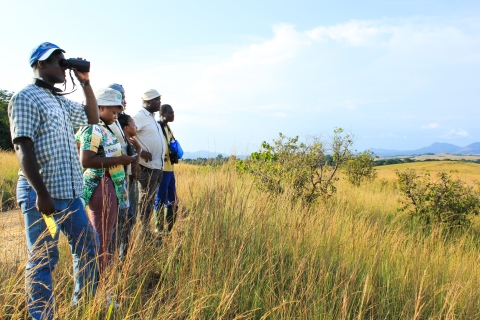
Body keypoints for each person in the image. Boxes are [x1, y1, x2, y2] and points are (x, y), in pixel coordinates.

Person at [8, 42, 99, 320]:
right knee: (44, 259)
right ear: (41, 65)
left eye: (65, 61)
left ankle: (83, 305)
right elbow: (22, 147)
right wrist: (41, 193)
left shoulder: (59, 100)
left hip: (71, 194)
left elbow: (92, 117)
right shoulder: (26, 97)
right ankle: (42, 316)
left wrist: (85, 82)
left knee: (88, 247)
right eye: (58, 61)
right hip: (43, 194)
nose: (64, 66)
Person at [77, 88, 134, 273]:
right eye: (113, 111)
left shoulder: (103, 129)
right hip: (101, 185)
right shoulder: (94, 129)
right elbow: (86, 160)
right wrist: (119, 160)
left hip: (109, 186)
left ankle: (102, 279)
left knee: (106, 236)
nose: (116, 116)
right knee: (101, 237)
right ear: (100, 108)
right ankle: (100, 284)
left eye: (118, 112)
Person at [132, 89, 165, 232]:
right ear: (148, 102)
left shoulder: (151, 118)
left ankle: (146, 230)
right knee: (145, 200)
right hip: (146, 166)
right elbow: (126, 133)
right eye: (157, 100)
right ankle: (142, 231)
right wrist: (140, 152)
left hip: (156, 166)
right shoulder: (139, 116)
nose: (160, 103)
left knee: (150, 200)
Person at [116, 113, 142, 253]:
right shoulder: (122, 144)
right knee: (125, 220)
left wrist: (138, 149)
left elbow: (133, 165)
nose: (135, 126)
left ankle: (124, 254)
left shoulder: (128, 142)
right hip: (122, 186)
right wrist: (138, 150)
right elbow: (132, 165)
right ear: (126, 128)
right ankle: (122, 255)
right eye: (133, 124)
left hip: (126, 184)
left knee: (129, 218)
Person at [154, 104, 178, 233]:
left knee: (173, 200)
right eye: (170, 113)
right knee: (160, 199)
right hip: (161, 169)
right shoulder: (157, 127)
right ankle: (159, 229)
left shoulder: (167, 127)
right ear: (162, 114)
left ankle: (168, 230)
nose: (173, 115)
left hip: (170, 169)